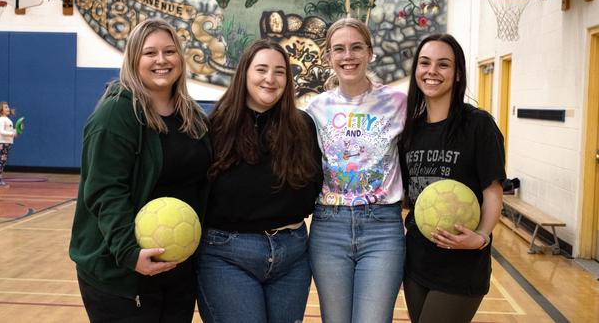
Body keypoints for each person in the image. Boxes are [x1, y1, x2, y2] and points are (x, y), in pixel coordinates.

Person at [69, 18, 211, 323]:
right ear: (134, 59)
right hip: (122, 273)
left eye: (169, 51)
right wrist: (129, 253)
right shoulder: (116, 114)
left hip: (176, 269)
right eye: (150, 53)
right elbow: (106, 191)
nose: (161, 60)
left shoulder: (193, 116)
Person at [195, 39, 322, 323]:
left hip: (292, 255)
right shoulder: (214, 126)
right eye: (261, 69)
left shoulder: (303, 127)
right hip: (227, 255)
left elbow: (313, 186)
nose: (270, 78)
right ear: (245, 74)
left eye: (279, 71)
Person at [306, 17, 407, 323]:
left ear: (369, 52)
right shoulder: (315, 109)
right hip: (329, 227)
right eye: (339, 49)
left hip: (382, 228)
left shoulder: (398, 102)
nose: (347, 56)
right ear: (329, 57)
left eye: (356, 48)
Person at [399, 33, 505, 323]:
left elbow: (493, 191)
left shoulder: (478, 125)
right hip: (417, 263)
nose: (432, 71)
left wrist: (481, 237)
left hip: (462, 267)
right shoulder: (410, 131)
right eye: (425, 63)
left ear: (458, 74)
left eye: (443, 64)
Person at [0, 101, 16, 187]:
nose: (8, 108)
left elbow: (9, 132)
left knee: (3, 162)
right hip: (2, 143)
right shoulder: (2, 120)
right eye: (5, 107)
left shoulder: (7, 120)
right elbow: (1, 132)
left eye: (8, 107)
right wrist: (12, 133)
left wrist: (15, 132)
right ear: (1, 110)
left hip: (7, 143)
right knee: (1, 162)